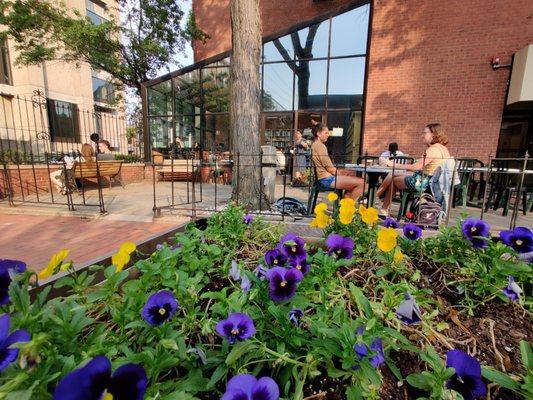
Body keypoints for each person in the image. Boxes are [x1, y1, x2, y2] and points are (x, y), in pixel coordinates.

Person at [376, 123, 451, 216]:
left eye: (425, 133)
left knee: (394, 179)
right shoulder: (443, 148)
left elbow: (416, 167)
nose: (422, 135)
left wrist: (392, 164)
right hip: (433, 181)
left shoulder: (433, 150)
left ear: (433, 134)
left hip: (424, 182)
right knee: (393, 174)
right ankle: (378, 200)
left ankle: (380, 203)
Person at [311, 123, 364, 202]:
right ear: (318, 134)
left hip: (324, 178)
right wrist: (341, 174)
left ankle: (344, 206)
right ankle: (347, 208)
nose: (328, 135)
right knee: (361, 183)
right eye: (326, 132)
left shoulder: (315, 145)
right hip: (326, 179)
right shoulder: (320, 146)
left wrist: (344, 174)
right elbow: (330, 169)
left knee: (350, 175)